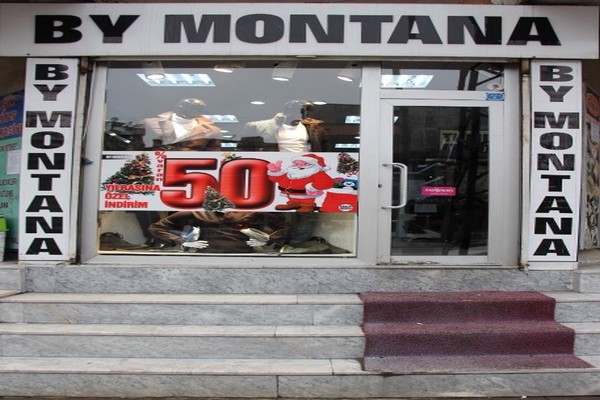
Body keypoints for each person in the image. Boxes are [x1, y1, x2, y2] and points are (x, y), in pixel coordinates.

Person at [147, 211, 290, 253]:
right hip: (207, 255)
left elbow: (284, 226)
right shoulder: (196, 212)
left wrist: (268, 239)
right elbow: (156, 227)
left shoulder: (249, 212)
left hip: (242, 255)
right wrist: (182, 241)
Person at [238, 100, 326, 152]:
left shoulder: (313, 129)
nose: (305, 114)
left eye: (306, 111)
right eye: (301, 110)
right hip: (273, 164)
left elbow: (323, 150)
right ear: (287, 111)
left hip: (304, 165)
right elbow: (243, 151)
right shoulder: (256, 127)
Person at [143, 98, 221, 151]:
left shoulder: (212, 131)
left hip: (191, 167)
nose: (197, 111)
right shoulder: (150, 124)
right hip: (156, 165)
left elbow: (213, 154)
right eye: (193, 107)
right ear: (180, 107)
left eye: (200, 109)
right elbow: (139, 148)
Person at [267, 153, 335, 213]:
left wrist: (312, 187)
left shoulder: (316, 173)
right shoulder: (290, 172)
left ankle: (308, 206)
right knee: (293, 199)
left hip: (306, 194)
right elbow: (276, 179)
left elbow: (326, 182)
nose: (299, 166)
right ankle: (293, 204)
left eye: (304, 164)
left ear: (315, 165)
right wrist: (276, 172)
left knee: (307, 201)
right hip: (290, 193)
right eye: (297, 163)